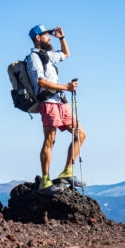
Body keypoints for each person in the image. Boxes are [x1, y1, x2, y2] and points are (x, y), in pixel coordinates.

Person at [27, 24, 86, 195]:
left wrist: (61, 37)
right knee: (50, 140)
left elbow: (66, 54)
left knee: (80, 134)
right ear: (38, 38)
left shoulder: (48, 55)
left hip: (60, 101)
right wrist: (66, 87)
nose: (49, 37)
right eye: (46, 35)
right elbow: (41, 82)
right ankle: (45, 181)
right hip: (49, 102)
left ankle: (67, 171)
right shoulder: (34, 57)